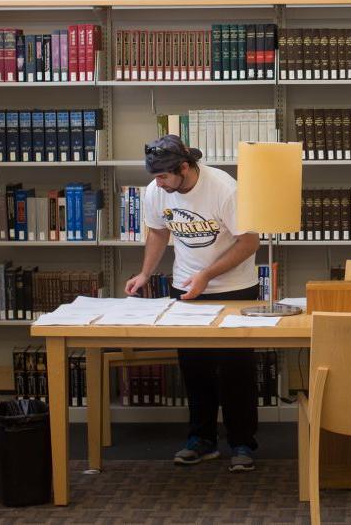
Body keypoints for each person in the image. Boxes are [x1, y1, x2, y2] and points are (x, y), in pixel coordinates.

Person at [124, 135, 261, 471]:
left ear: (184, 167)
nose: (158, 182)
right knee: (194, 367)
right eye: (154, 176)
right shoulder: (157, 190)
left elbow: (250, 241)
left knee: (235, 370)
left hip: (234, 288)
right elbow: (158, 232)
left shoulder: (225, 189)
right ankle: (202, 440)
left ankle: (242, 444)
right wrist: (145, 274)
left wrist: (207, 276)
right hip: (186, 288)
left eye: (164, 176)